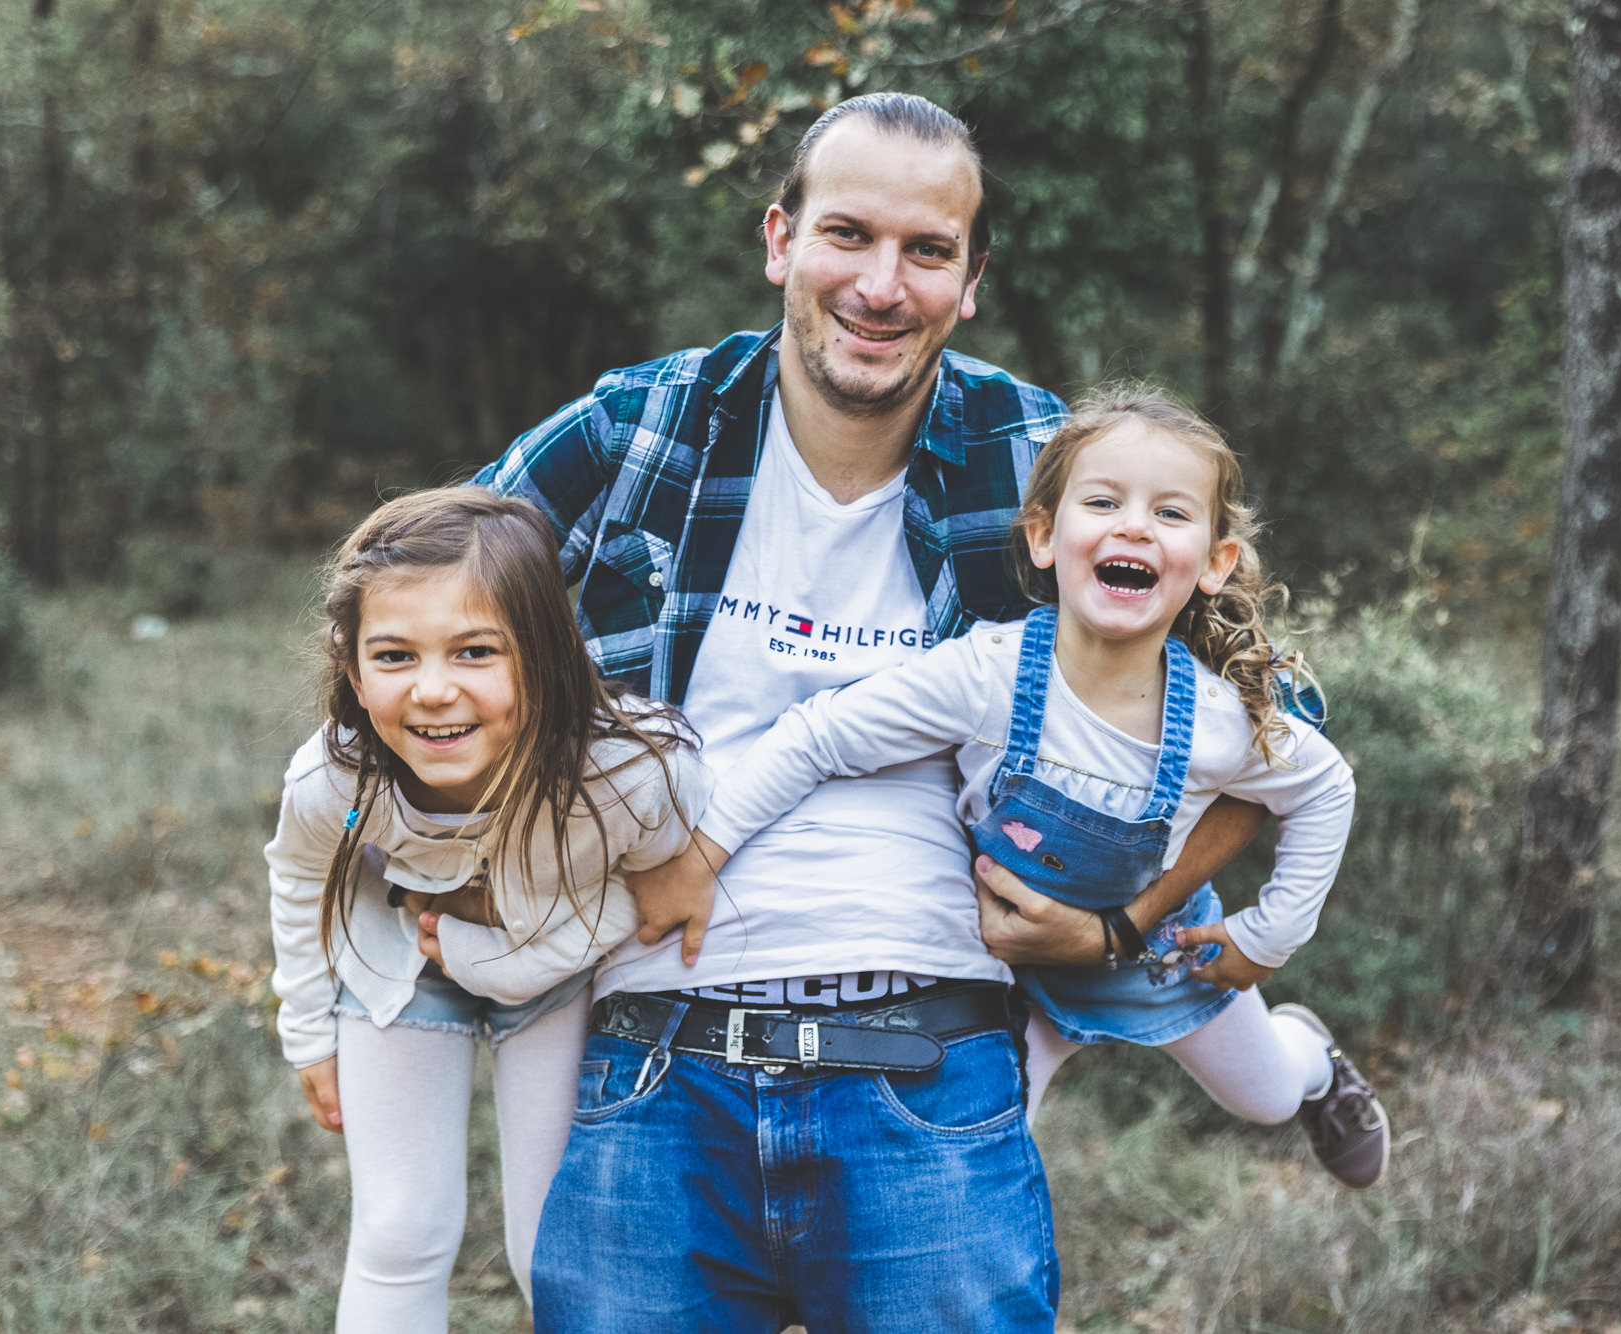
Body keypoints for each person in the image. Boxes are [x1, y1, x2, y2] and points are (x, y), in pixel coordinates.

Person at [477, 91, 1261, 1332]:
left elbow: (1277, 716)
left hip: (924, 1063)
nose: (880, 285)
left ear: (970, 279)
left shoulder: (1037, 455)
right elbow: (414, 597)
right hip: (650, 1064)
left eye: (926, 251)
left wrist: (1115, 929)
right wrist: (430, 844)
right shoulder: (645, 426)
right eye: (847, 236)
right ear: (780, 239)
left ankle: (1288, 1074)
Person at [648, 386, 1389, 1188]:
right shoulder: (985, 676)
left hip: (1163, 955)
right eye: (1103, 501)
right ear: (1044, 535)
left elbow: (1324, 791)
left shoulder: (1216, 718)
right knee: (981, 1158)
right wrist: (701, 853)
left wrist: (1265, 936)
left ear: (1214, 564)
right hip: (1006, 966)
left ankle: (1313, 1059)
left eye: (1171, 514)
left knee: (1268, 1097)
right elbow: (818, 735)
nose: (1134, 525)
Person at [264, 489, 708, 1333]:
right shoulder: (336, 778)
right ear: (353, 670)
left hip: (561, 973)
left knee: (552, 1243)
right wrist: (309, 1031)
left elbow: (660, 900)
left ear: (544, 656)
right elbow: (295, 878)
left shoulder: (631, 773)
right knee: (400, 1232)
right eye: (394, 657)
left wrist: (526, 947)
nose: (434, 691)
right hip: (397, 966)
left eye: (475, 651)